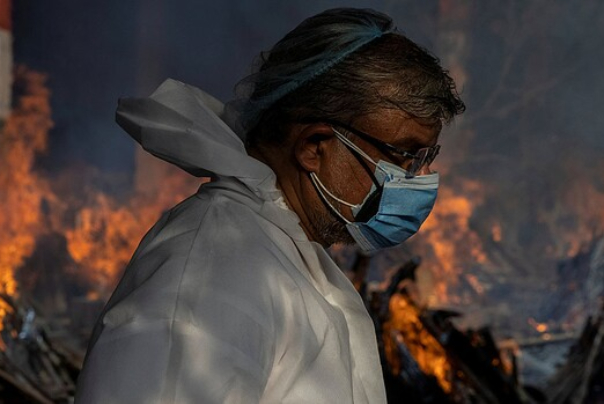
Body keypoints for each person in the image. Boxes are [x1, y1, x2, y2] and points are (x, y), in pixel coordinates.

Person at [74, 7, 464, 404]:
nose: (419, 176)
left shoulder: (285, 256)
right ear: (315, 146)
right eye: (404, 155)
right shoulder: (213, 270)